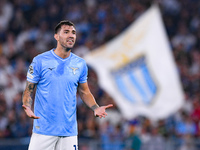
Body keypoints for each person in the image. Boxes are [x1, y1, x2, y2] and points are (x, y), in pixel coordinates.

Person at [22, 20, 113, 150]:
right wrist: (27, 105)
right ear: (56, 36)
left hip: (69, 133)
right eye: (66, 32)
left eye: (73, 33)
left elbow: (84, 92)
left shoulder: (80, 64)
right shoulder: (40, 61)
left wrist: (95, 108)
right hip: (43, 130)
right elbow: (28, 90)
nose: (71, 35)